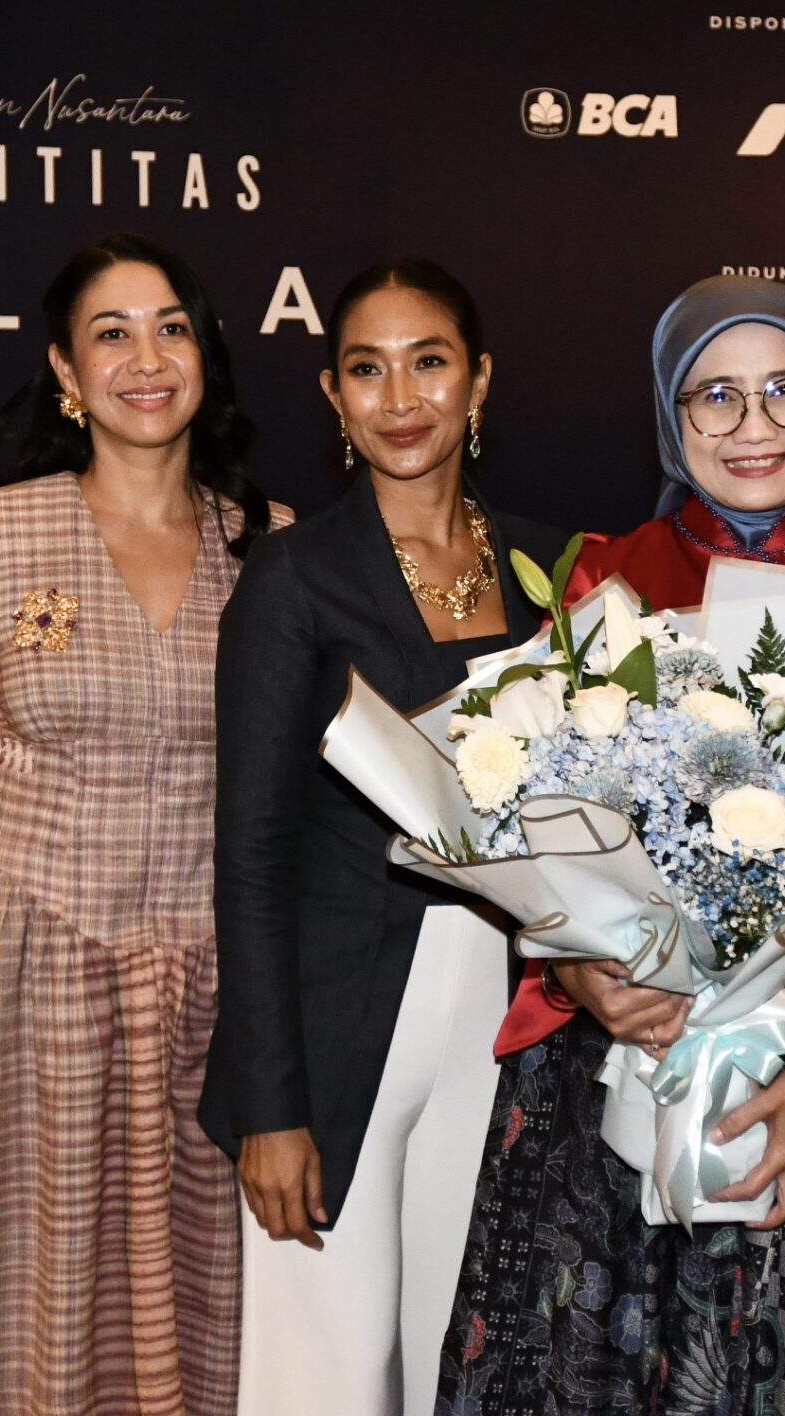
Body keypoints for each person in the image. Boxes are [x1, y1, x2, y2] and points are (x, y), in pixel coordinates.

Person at [439, 272, 785, 1416]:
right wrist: (582, 976)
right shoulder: (608, 575)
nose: (753, 426)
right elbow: (543, 818)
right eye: (715, 396)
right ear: (669, 414)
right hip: (632, 1050)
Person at [0, 234, 278, 1416]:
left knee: (193, 1282)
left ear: (206, 353)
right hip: (17, 969)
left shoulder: (271, 544)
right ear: (64, 370)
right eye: (111, 334)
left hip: (211, 982)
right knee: (8, 1285)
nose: (147, 359)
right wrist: (37, 906)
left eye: (172, 328)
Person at [205, 259, 559, 1416]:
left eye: (429, 362)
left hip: (509, 1025)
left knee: (467, 1362)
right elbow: (250, 852)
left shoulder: (549, 569)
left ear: (480, 380)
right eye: (367, 368)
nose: (400, 397)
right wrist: (270, 1105)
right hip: (336, 1034)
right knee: (329, 1378)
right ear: (333, 395)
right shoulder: (294, 575)